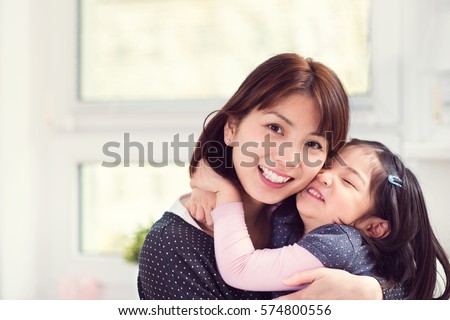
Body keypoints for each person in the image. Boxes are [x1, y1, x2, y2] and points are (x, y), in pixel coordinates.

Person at [138, 53, 396, 299]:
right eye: (275, 128)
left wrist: (372, 292)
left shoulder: (304, 210)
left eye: (313, 145)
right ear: (231, 128)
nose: (289, 158)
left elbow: (414, 276)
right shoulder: (173, 247)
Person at [190, 139, 450, 299]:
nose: (324, 176)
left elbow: (241, 269)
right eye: (328, 165)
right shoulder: (297, 212)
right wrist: (207, 182)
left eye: (347, 181)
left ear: (374, 227)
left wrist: (226, 193)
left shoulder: (341, 243)